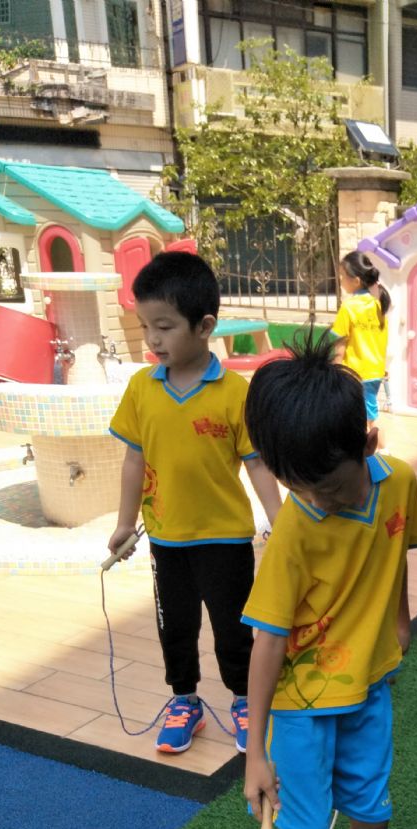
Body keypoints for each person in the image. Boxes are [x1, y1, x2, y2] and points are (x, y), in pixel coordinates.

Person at [222, 335, 417, 829]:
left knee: (373, 810)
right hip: (302, 705)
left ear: (368, 442)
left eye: (329, 485)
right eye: (298, 487)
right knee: (304, 826)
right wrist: (255, 751)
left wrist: (399, 617)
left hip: (368, 686)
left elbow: (396, 548)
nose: (316, 499)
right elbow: (266, 642)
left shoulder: (399, 482)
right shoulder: (295, 528)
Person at [107, 251, 281, 755]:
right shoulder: (141, 389)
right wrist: (124, 523)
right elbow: (133, 461)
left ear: (204, 327)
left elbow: (257, 464)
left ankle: (245, 701)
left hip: (225, 539)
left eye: (164, 327)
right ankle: (184, 700)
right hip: (166, 539)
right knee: (175, 628)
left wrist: (281, 521)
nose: (152, 339)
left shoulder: (234, 392)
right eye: (145, 327)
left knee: (233, 629)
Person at [330, 250, 391, 423]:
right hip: (375, 371)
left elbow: (340, 344)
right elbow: (381, 340)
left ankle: (374, 439)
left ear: (356, 281)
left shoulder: (348, 307)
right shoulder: (378, 305)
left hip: (354, 373)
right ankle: (373, 438)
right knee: (368, 413)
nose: (340, 280)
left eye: (342, 276)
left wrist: (336, 370)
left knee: (361, 416)